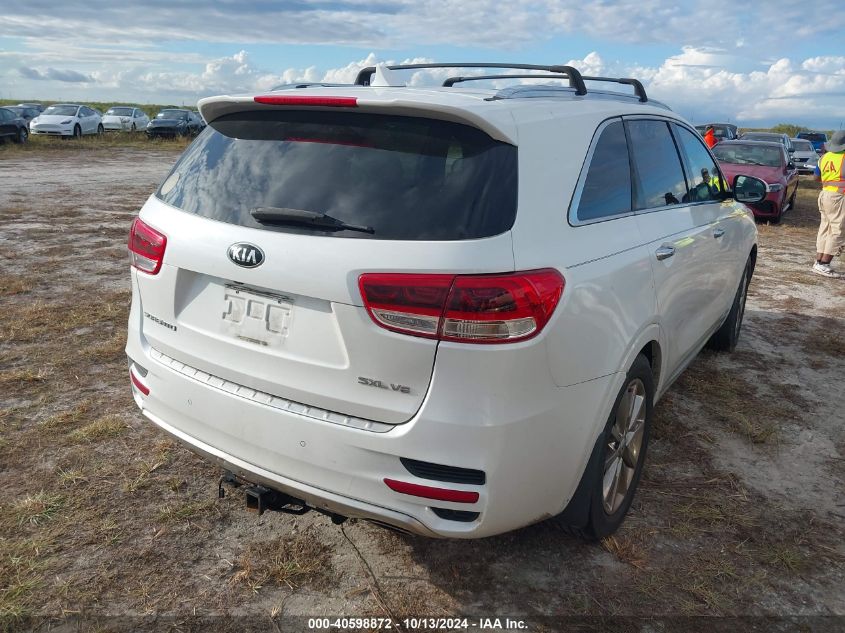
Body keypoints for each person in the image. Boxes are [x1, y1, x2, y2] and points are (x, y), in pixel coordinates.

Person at [812, 130, 845, 278]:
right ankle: (824, 264)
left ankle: (819, 261)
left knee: (825, 228)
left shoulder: (824, 157)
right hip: (839, 196)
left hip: (825, 194)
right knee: (837, 230)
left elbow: (815, 177)